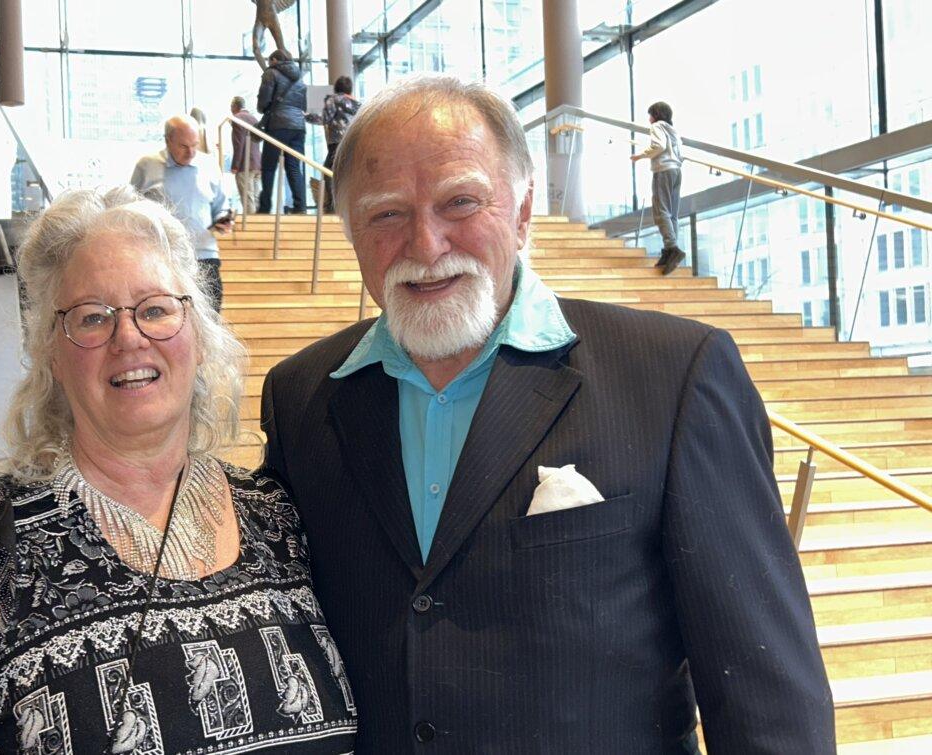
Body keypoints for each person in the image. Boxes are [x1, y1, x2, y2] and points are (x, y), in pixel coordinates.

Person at [259, 76, 834, 752]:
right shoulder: (302, 398)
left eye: (460, 202)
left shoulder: (675, 376)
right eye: (387, 214)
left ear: (524, 209)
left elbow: (767, 699)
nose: (426, 241)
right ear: (351, 229)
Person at [0, 187, 357, 753]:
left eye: (155, 309)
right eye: (92, 318)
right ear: (50, 350)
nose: (129, 338)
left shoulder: (282, 519)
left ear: (197, 334)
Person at [131, 114, 233, 312]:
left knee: (211, 315)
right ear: (168, 140)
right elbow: (132, 209)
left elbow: (220, 205)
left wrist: (223, 219)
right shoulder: (147, 165)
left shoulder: (209, 165)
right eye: (184, 146)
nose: (191, 152)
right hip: (162, 256)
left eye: (195, 145)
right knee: (169, 315)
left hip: (204, 253)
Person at [631, 100, 686, 275]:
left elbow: (659, 145)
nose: (649, 118)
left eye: (650, 114)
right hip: (676, 171)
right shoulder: (674, 131)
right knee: (672, 214)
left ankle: (672, 248)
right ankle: (670, 250)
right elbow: (680, 153)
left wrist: (640, 156)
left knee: (661, 211)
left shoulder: (657, 127)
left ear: (656, 115)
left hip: (663, 171)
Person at [256, 49, 308, 215]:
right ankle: (300, 207)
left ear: (275, 60)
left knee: (269, 167)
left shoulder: (271, 73)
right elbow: (304, 105)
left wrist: (262, 108)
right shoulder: (300, 77)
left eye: (270, 60)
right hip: (298, 127)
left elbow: (264, 99)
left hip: (278, 124)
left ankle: (265, 208)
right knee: (294, 167)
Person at [305, 75, 359, 213]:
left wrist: (307, 116)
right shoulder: (357, 104)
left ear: (336, 88)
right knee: (348, 174)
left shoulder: (333, 100)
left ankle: (333, 207)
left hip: (337, 143)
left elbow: (324, 118)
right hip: (353, 143)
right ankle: (350, 205)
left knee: (328, 173)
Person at [231, 95, 263, 214]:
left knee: (247, 198)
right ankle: (260, 226)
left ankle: (252, 229)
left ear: (234, 107)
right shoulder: (254, 119)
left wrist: (235, 165)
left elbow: (238, 144)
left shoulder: (237, 118)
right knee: (255, 198)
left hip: (245, 164)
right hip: (257, 164)